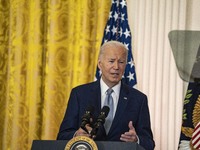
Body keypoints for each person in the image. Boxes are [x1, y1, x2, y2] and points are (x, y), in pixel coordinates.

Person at [57, 41, 155, 150]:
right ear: (100, 64)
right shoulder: (79, 94)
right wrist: (76, 135)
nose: (116, 67)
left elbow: (149, 143)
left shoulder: (138, 99)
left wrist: (136, 139)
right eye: (111, 61)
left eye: (121, 62)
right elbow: (62, 135)